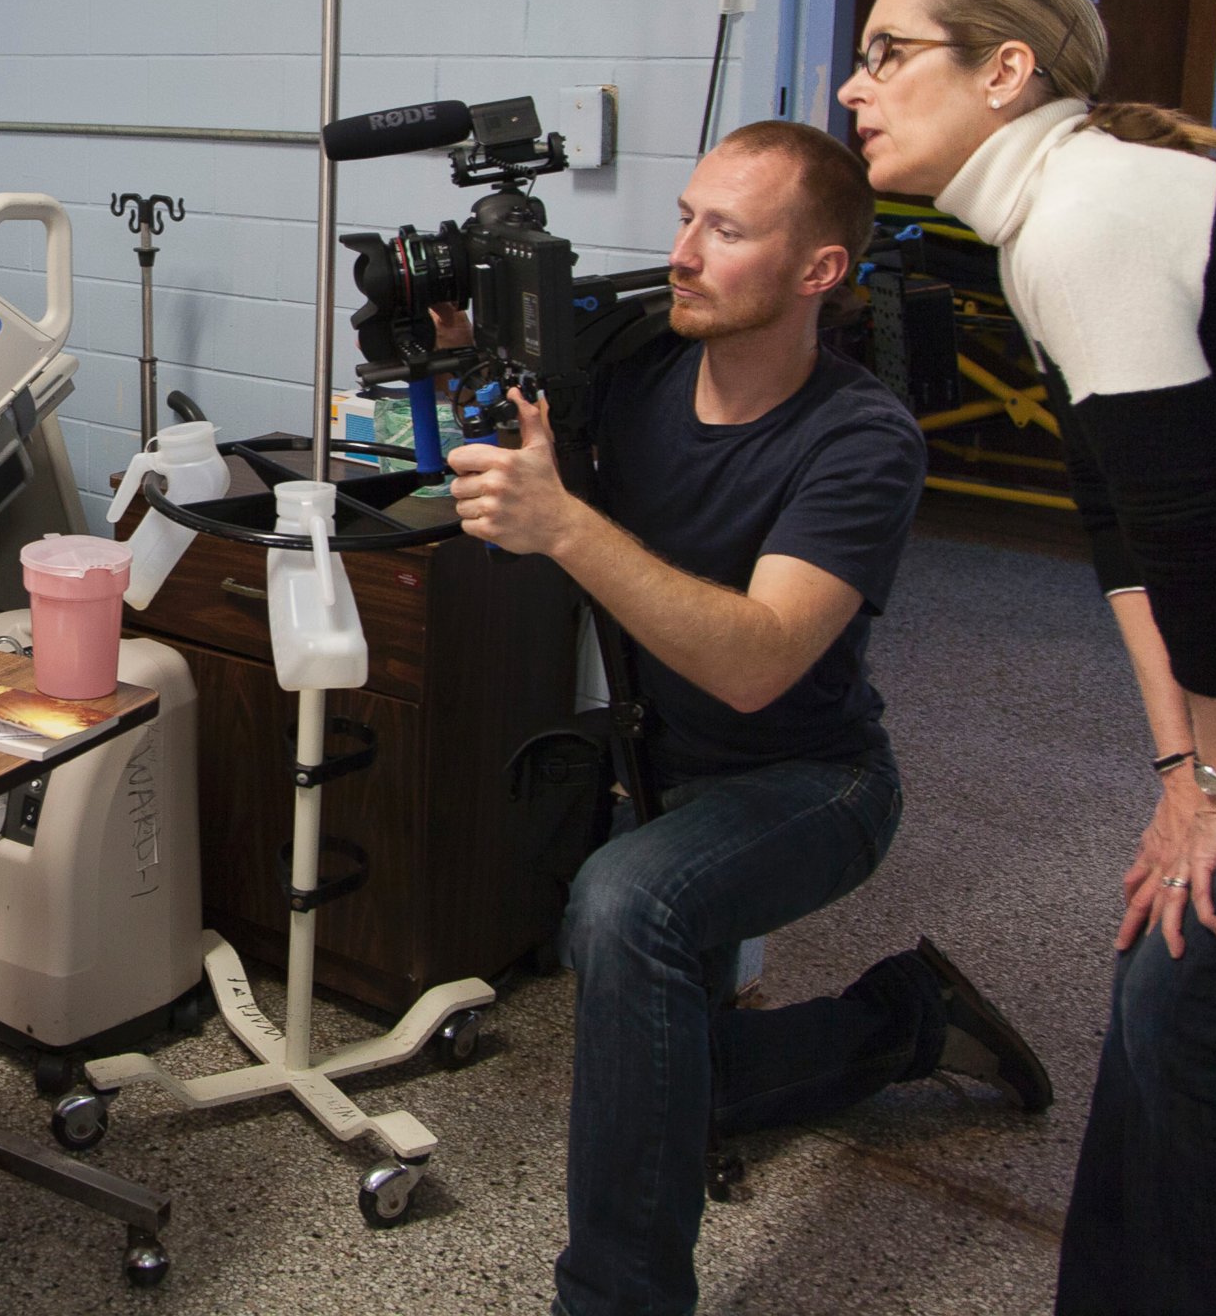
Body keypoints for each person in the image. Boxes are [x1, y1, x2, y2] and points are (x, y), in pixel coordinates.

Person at [839, 0, 1216, 1316]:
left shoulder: (1090, 212)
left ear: (1006, 71)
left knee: (1204, 1008)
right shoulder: (1043, 220)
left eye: (888, 53)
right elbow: (1126, 536)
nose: (856, 88)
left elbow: (1197, 540)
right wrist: (1176, 782)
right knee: (1172, 961)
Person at [439, 121, 1050, 1316]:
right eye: (683, 217)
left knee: (625, 910)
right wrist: (470, 344)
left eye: (726, 230)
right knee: (664, 1080)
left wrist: (565, 523)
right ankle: (906, 1024)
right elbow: (517, 401)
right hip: (660, 771)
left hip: (812, 782)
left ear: (818, 270)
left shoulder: (861, 441)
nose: (682, 252)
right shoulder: (637, 370)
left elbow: (762, 662)